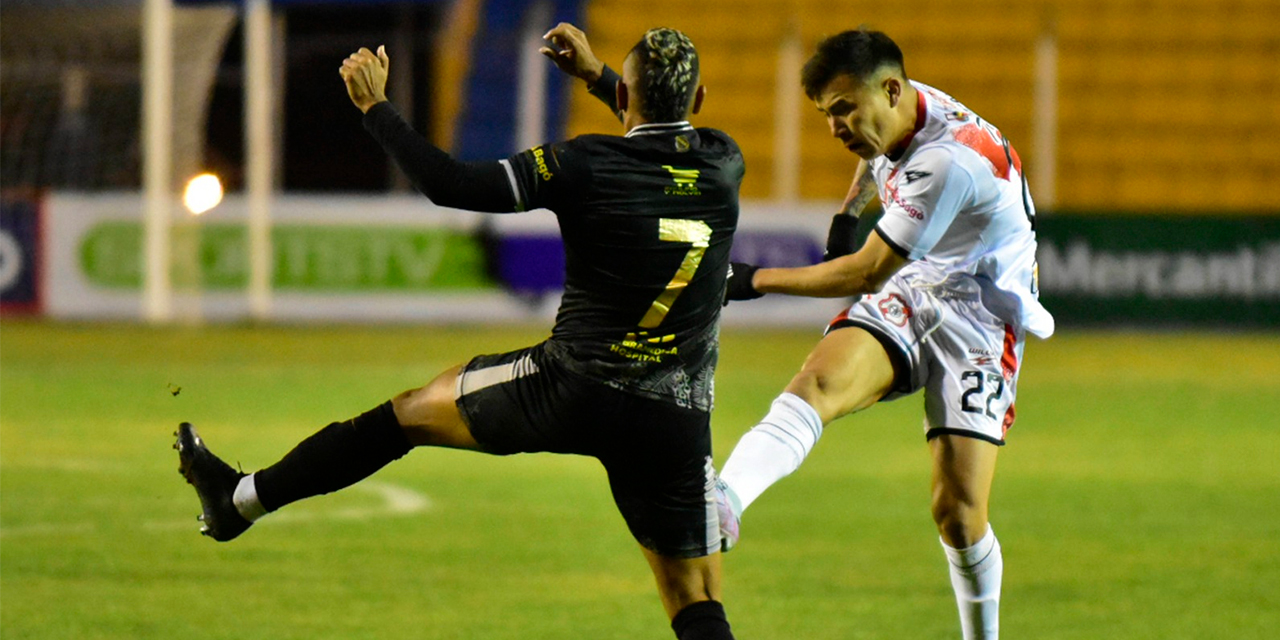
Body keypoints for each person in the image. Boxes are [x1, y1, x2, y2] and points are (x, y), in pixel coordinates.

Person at [175, 24, 744, 640]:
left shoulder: (582, 162)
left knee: (407, 415)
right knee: (693, 597)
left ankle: (239, 503)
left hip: (569, 388)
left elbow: (450, 184)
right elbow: (657, 122)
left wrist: (376, 108)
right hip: (674, 415)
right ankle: (235, 503)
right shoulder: (723, 161)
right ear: (702, 100)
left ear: (625, 99)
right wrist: (599, 75)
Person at [716, 28, 1054, 640]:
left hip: (983, 311)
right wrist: (850, 212)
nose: (835, 126)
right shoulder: (902, 107)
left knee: (958, 513)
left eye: (843, 109)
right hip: (920, 283)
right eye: (826, 114)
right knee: (818, 381)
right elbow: (878, 163)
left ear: (889, 90)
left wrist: (753, 280)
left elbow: (868, 270)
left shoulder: (948, 160)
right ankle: (722, 503)